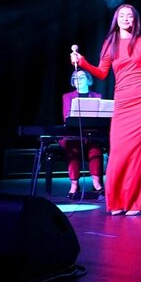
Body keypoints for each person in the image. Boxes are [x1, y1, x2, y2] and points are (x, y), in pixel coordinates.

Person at [71, 3, 141, 216]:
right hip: (122, 102)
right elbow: (102, 73)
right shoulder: (109, 43)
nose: (126, 19)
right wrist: (82, 62)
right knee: (118, 152)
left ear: (135, 20)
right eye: (122, 16)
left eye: (130, 16)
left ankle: (135, 202)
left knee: (137, 151)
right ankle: (118, 201)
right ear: (116, 20)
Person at [60, 69, 104, 199]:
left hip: (91, 135)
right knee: (72, 147)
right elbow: (66, 117)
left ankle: (96, 184)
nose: (78, 80)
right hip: (73, 135)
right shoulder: (67, 97)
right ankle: (74, 185)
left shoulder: (97, 96)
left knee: (95, 148)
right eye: (75, 78)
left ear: (89, 80)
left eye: (81, 77)